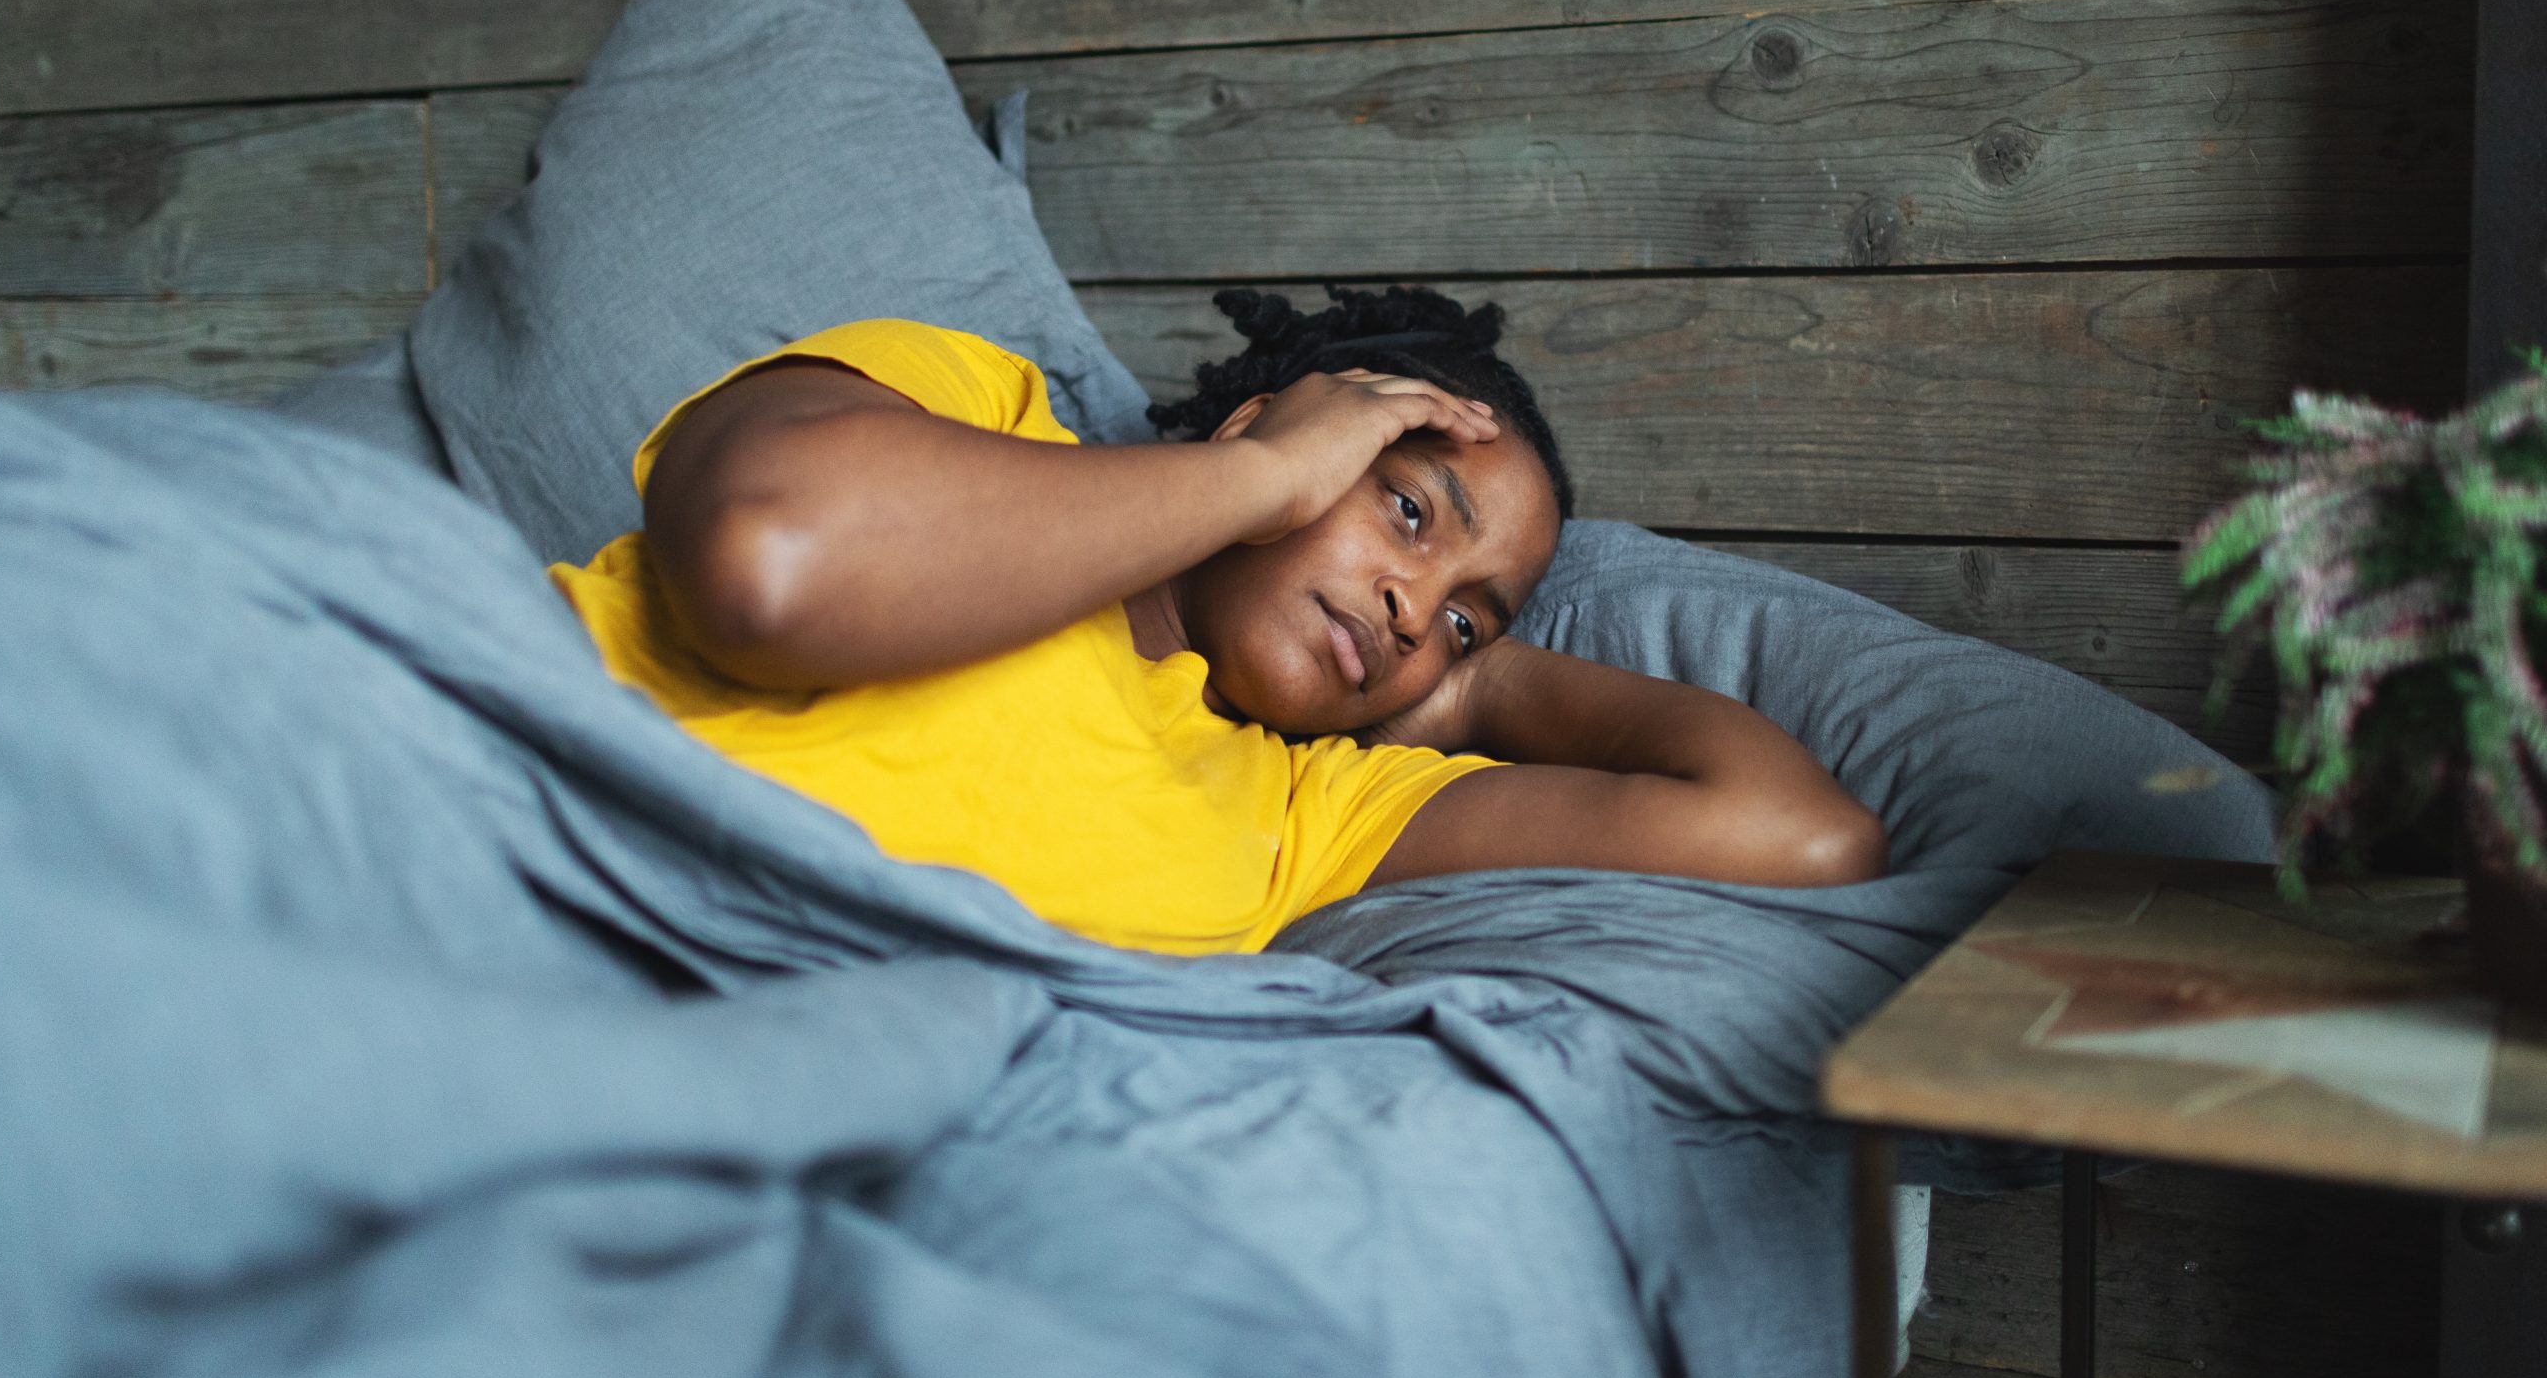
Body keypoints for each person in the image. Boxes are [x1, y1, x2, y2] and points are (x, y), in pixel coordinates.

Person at [549, 285, 1886, 955]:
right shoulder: (974, 408)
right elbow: (769, 561)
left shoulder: (1309, 820)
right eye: (1411, 515)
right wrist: (1254, 482)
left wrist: (1480, 692)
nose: (1415, 613)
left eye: (1466, 621)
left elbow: (1801, 837)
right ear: (1281, 424)